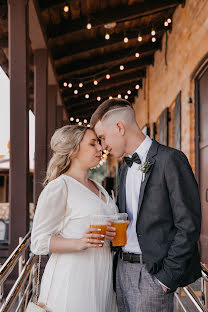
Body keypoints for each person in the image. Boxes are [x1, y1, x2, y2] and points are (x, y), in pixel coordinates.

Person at [90, 98, 201, 312]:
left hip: (153, 275)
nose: (103, 146)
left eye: (103, 138)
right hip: (121, 271)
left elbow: (189, 224)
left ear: (119, 127)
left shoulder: (171, 160)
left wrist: (166, 279)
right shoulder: (124, 169)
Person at [31, 125, 118, 312]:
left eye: (99, 143)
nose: (100, 148)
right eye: (92, 144)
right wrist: (79, 242)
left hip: (102, 274)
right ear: (73, 149)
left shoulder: (99, 187)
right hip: (73, 278)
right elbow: (38, 242)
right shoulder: (60, 187)